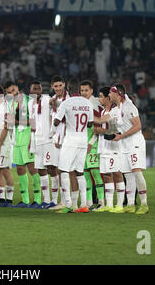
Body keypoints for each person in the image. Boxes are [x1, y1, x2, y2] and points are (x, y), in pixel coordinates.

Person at [95, 84, 149, 215]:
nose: (109, 95)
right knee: (128, 174)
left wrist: (121, 136)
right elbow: (102, 119)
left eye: (111, 93)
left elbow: (138, 126)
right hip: (124, 145)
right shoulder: (115, 110)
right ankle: (130, 204)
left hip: (135, 143)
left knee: (136, 172)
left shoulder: (129, 107)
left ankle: (144, 204)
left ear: (117, 94)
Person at [53, 78, 94, 214]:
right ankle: (83, 205)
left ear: (68, 90)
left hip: (70, 140)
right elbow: (90, 124)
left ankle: (69, 205)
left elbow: (57, 121)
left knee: (64, 171)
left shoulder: (66, 102)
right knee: (79, 173)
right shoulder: (88, 103)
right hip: (83, 140)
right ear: (79, 90)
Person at [4, 81, 41, 208]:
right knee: (20, 169)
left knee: (32, 168)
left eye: (13, 91)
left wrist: (15, 121)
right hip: (17, 139)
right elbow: (10, 122)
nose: (11, 94)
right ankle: (25, 200)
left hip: (28, 138)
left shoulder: (29, 101)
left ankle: (38, 199)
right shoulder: (10, 104)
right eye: (8, 92)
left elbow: (33, 121)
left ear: (17, 89)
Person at [92, 87, 124, 213]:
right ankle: (109, 204)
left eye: (100, 96)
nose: (99, 99)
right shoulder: (102, 111)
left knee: (117, 173)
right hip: (104, 147)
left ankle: (120, 205)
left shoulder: (116, 111)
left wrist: (100, 130)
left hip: (114, 147)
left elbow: (113, 129)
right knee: (106, 175)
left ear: (107, 98)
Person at [28, 80, 56, 209]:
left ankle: (55, 201)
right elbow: (31, 123)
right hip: (37, 140)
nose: (37, 91)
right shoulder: (29, 103)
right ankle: (46, 199)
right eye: (34, 89)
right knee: (40, 169)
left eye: (38, 89)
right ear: (30, 91)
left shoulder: (47, 99)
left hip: (48, 140)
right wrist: (30, 141)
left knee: (51, 168)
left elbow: (54, 104)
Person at [79, 80, 105, 210]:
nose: (84, 93)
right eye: (82, 90)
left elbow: (98, 126)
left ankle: (101, 202)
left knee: (95, 173)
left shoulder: (94, 105)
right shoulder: (80, 104)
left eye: (86, 90)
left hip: (92, 145)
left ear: (91, 91)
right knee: (86, 175)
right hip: (82, 145)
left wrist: (91, 143)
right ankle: (88, 203)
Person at [47, 76, 69, 210]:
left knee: (66, 170)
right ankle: (64, 200)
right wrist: (53, 135)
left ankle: (68, 201)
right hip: (56, 139)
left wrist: (61, 138)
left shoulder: (69, 99)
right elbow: (52, 118)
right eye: (56, 86)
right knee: (58, 170)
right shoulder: (53, 100)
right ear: (52, 87)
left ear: (64, 85)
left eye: (60, 85)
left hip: (67, 139)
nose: (58, 88)